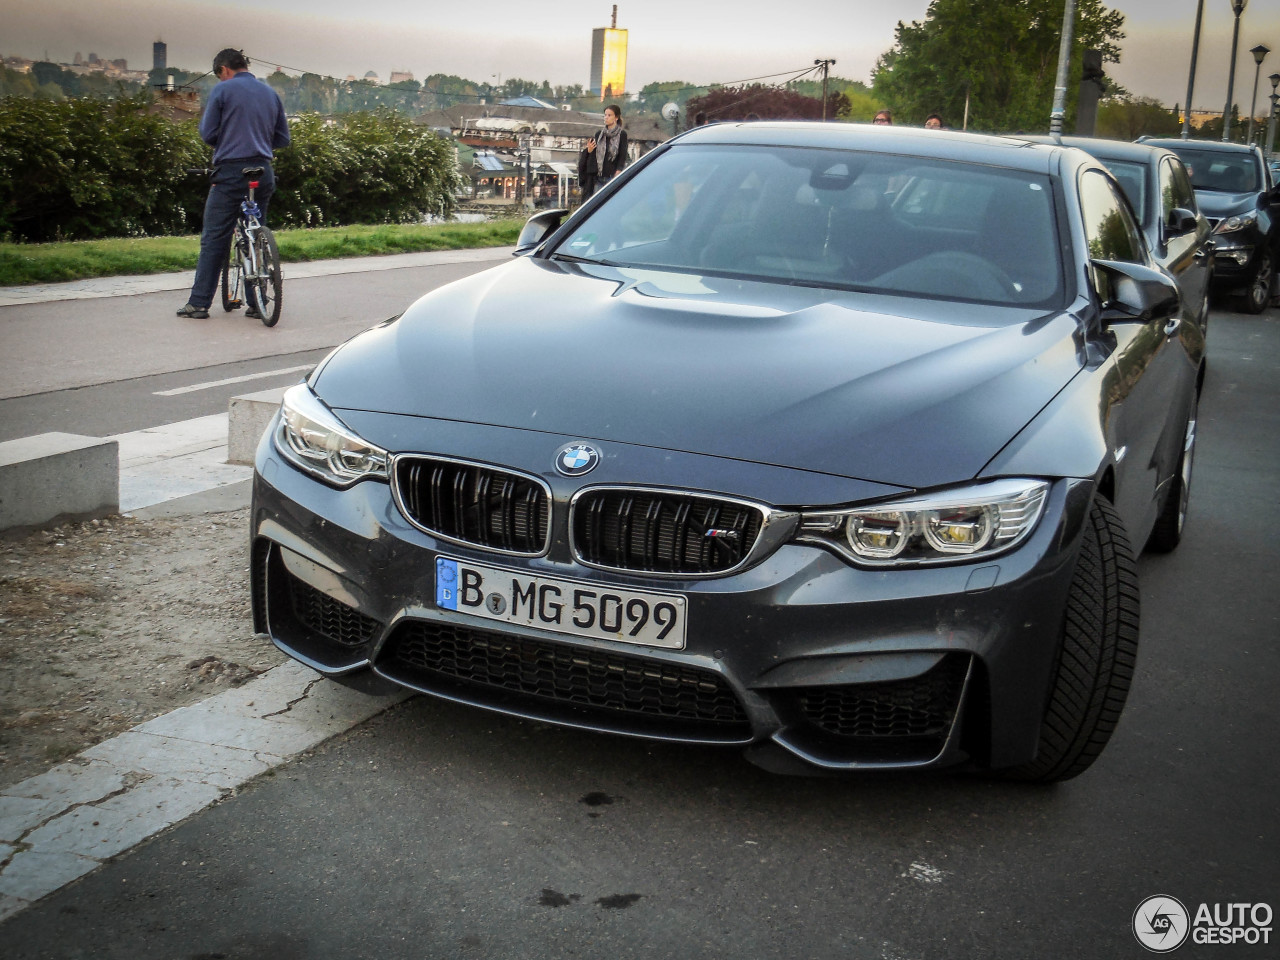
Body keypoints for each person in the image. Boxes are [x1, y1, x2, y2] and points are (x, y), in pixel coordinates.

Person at [177, 48, 290, 320]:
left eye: (219, 75)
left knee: (215, 237)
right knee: (256, 227)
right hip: (263, 171)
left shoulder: (223, 90)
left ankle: (199, 303)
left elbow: (208, 133)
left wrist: (230, 138)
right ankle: (257, 301)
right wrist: (259, 140)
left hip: (230, 172)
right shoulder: (270, 93)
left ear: (224, 70)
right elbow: (283, 139)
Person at [579, 104, 628, 202]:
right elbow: (593, 155)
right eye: (605, 115)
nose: (606, 117)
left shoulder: (622, 134)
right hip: (599, 177)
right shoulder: (599, 134)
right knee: (597, 204)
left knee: (612, 202)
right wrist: (589, 150)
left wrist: (618, 171)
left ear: (616, 117)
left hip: (612, 176)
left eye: (609, 115)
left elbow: (622, 155)